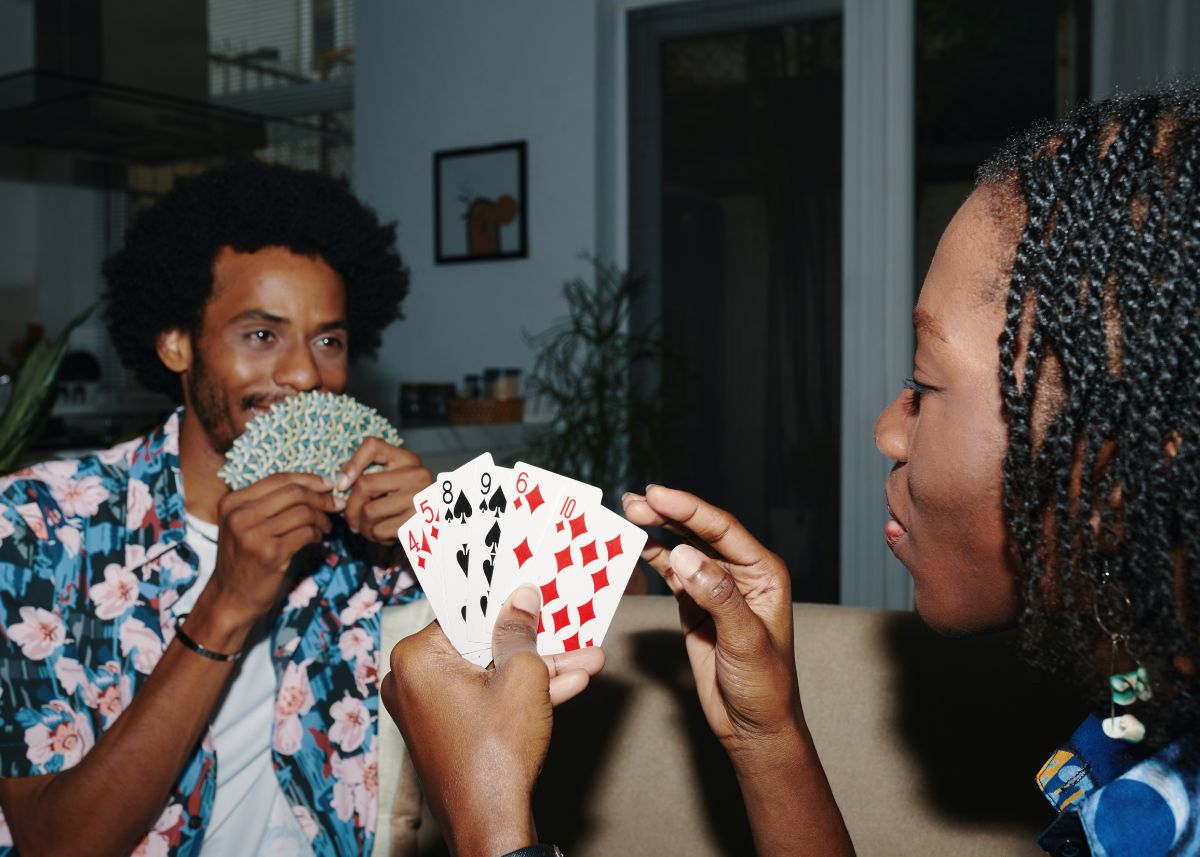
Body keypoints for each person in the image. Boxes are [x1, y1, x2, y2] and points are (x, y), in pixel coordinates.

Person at [383, 84, 1200, 857]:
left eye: (924, 384)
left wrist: (490, 821)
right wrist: (766, 733)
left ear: (1115, 461)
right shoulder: (1150, 733)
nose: (888, 429)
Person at [0, 160, 433, 856]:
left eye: (328, 340)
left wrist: (451, 534)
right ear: (176, 342)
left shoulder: (368, 531)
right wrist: (227, 604)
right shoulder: (38, 525)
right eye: (261, 335)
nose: (304, 372)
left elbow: (554, 653)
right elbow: (56, 846)